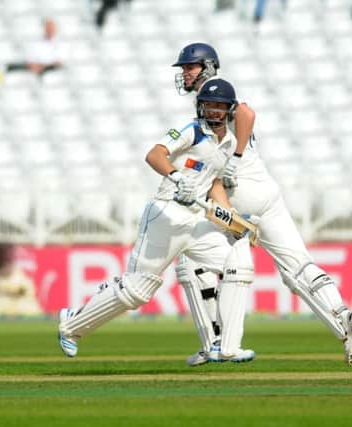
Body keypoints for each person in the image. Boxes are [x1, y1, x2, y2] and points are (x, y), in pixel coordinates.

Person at [172, 42, 352, 367]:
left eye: (189, 67)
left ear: (207, 66)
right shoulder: (211, 95)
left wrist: (233, 158)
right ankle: (343, 317)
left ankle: (216, 343)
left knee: (190, 259)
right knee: (297, 268)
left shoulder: (212, 92)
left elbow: (246, 112)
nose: (185, 74)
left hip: (238, 196)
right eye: (184, 69)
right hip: (267, 192)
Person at [58, 78, 256, 364]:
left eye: (219, 107)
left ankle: (226, 347)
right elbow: (154, 154)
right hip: (166, 214)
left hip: (197, 220)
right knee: (137, 291)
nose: (213, 111)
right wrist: (176, 177)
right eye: (208, 105)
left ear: (229, 110)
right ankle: (71, 324)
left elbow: (214, 184)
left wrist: (231, 220)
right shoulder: (192, 131)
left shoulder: (230, 143)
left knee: (236, 262)